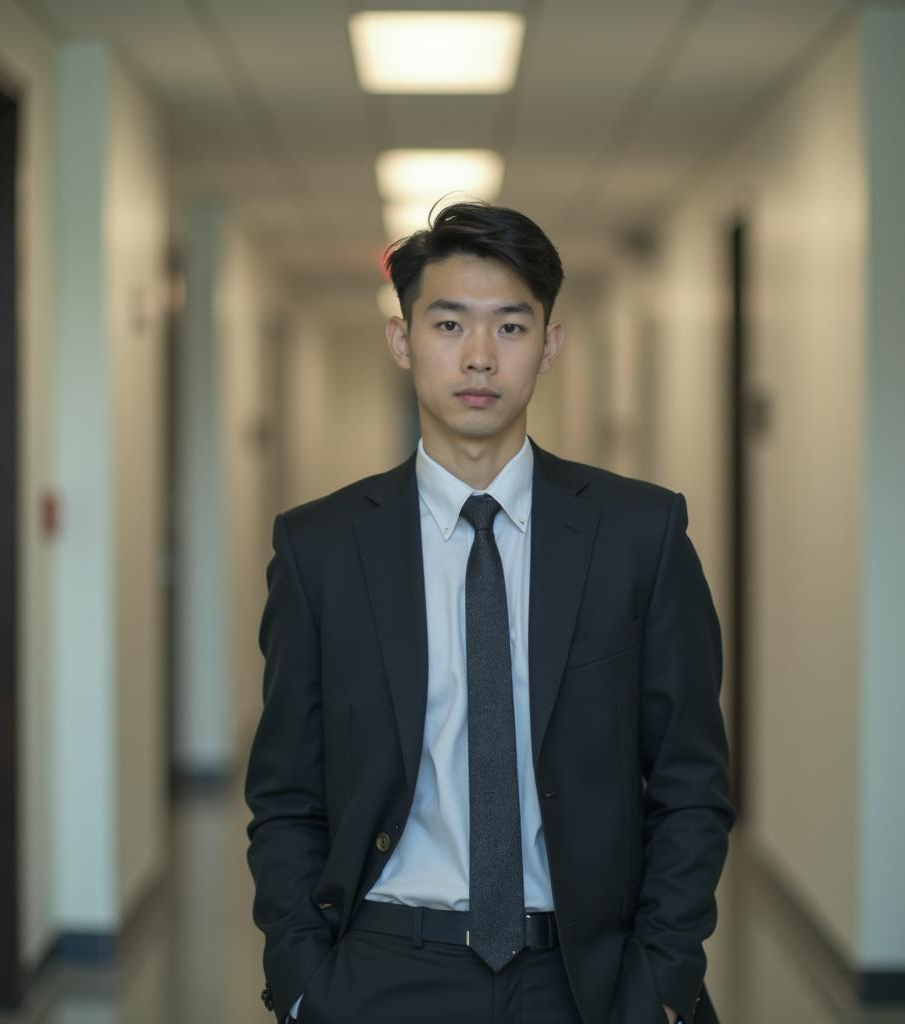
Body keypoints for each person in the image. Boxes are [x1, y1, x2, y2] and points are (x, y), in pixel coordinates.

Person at [244, 201, 736, 1024]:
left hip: (585, 980)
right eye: (448, 325)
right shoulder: (321, 549)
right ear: (403, 341)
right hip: (384, 969)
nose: (478, 358)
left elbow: (691, 783)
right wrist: (303, 985)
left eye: (510, 328)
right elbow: (287, 793)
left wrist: (661, 979)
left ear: (549, 345)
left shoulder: (639, 535)